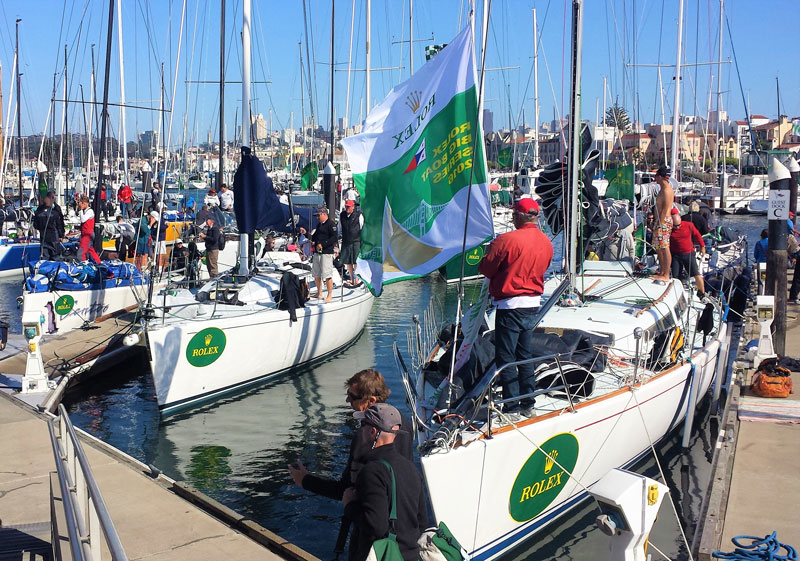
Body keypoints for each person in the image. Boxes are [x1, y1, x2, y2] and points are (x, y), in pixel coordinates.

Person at [478, 198, 553, 419]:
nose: (511, 217)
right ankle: (528, 403)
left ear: (519, 216)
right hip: (532, 304)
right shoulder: (546, 242)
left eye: (513, 214)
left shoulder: (506, 240)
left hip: (510, 304)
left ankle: (511, 407)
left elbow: (486, 268)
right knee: (524, 354)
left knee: (506, 357)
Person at [288, 369, 414, 499]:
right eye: (348, 393)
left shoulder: (365, 436)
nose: (347, 399)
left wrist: (306, 481)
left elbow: (346, 489)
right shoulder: (405, 425)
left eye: (353, 397)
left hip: (373, 512)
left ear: (371, 401)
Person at [342, 403, 426, 561]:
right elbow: (421, 522)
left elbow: (376, 526)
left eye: (363, 425)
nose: (360, 430)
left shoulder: (372, 471)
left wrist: (349, 505)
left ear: (372, 431)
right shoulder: (411, 469)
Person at [669, 210, 706, 296]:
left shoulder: (689, 225)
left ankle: (702, 293)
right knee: (675, 276)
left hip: (688, 254)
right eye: (675, 226)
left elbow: (697, 235)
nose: (677, 227)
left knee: (696, 274)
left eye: (678, 225)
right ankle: (676, 293)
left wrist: (702, 246)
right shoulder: (668, 229)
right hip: (676, 255)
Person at [652, 166, 675, 282]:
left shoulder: (666, 190)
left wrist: (659, 225)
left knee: (664, 247)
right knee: (658, 247)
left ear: (660, 177)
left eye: (656, 176)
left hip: (664, 221)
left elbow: (665, 210)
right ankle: (662, 271)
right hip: (660, 221)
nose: (655, 179)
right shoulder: (663, 189)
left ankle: (666, 274)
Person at [311, 206, 337, 302]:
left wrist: (324, 244)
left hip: (326, 253)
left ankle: (329, 295)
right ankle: (319, 292)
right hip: (317, 253)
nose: (317, 217)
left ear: (324, 214)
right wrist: (305, 233)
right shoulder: (319, 225)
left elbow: (334, 238)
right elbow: (314, 237)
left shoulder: (331, 224)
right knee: (316, 274)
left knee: (327, 274)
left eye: (318, 215)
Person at [33, 192, 65, 260]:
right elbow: (59, 223)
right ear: (51, 198)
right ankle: (55, 268)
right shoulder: (55, 210)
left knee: (45, 257)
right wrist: (61, 235)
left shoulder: (39, 210)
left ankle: (45, 269)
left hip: (43, 236)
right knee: (55, 256)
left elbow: (35, 225)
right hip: (53, 237)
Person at [339, 199, 363, 287]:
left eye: (349, 206)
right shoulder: (342, 215)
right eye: (346, 206)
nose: (347, 208)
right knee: (348, 261)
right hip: (346, 240)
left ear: (353, 207)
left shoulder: (358, 216)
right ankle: (352, 280)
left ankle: (356, 280)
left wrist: (361, 240)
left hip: (356, 240)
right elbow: (340, 227)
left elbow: (361, 227)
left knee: (355, 261)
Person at [76, 195, 101, 263]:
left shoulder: (90, 211)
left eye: (82, 203)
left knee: (81, 252)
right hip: (84, 233)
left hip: (88, 234)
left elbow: (83, 220)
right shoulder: (85, 211)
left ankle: (82, 264)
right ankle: (98, 263)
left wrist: (80, 210)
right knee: (90, 251)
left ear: (85, 203)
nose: (81, 205)